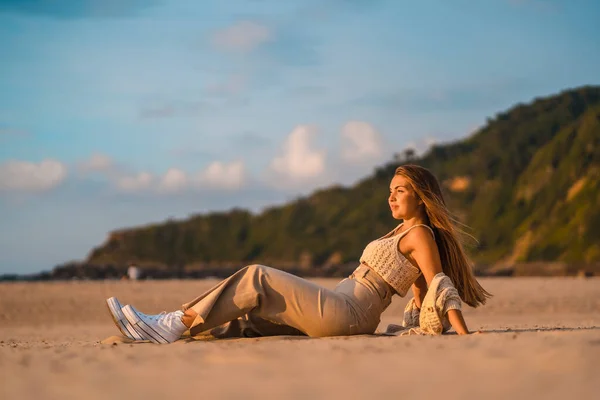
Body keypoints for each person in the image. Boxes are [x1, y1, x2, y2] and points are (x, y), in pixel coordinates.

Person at [106, 164, 491, 344]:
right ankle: (163, 333)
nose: (391, 196)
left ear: (420, 197)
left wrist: (461, 335)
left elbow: (439, 284)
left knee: (256, 276)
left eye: (401, 190)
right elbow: (423, 293)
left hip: (349, 314)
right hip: (342, 306)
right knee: (251, 318)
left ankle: (171, 323)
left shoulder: (421, 233)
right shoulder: (403, 231)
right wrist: (423, 319)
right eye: (389, 189)